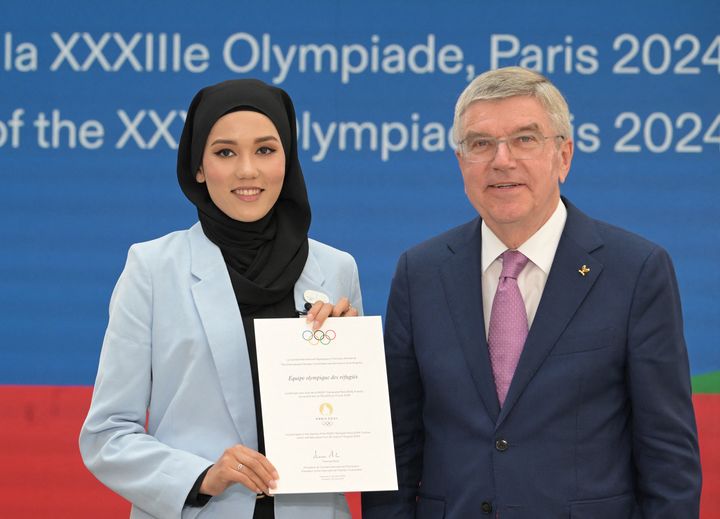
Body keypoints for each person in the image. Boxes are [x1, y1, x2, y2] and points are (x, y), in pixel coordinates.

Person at [362, 67, 701, 518]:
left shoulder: (636, 271)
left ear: (564, 156)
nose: (502, 160)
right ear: (461, 161)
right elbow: (396, 447)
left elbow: (668, 459)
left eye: (525, 139)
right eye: (480, 144)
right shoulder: (420, 273)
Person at [80, 79, 362, 519]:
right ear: (197, 166)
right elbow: (106, 434)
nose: (247, 170)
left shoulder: (336, 268)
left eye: (266, 150)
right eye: (225, 152)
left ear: (288, 161)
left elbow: (351, 433)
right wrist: (200, 476)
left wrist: (351, 367)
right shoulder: (152, 268)